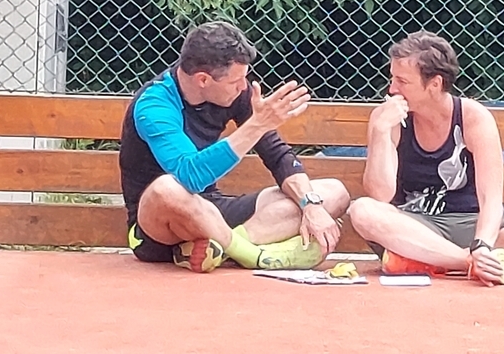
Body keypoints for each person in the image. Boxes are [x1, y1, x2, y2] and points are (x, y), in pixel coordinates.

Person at [119, 21, 350, 273]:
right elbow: (189, 175)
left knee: (333, 193)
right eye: (236, 81)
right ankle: (252, 255)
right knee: (166, 188)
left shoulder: (235, 93)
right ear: (203, 79)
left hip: (213, 209)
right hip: (160, 227)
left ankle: (217, 250)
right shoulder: (154, 105)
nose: (243, 86)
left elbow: (278, 156)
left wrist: (311, 206)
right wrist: (256, 126)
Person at [348, 31, 504, 286]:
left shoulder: (473, 117)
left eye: (402, 81)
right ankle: (466, 263)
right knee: (363, 210)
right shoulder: (388, 119)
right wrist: (380, 132)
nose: (392, 89)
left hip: (470, 222)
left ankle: (427, 262)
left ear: (434, 84)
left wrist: (482, 243)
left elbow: (490, 198)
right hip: (416, 227)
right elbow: (380, 195)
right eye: (392, 78)